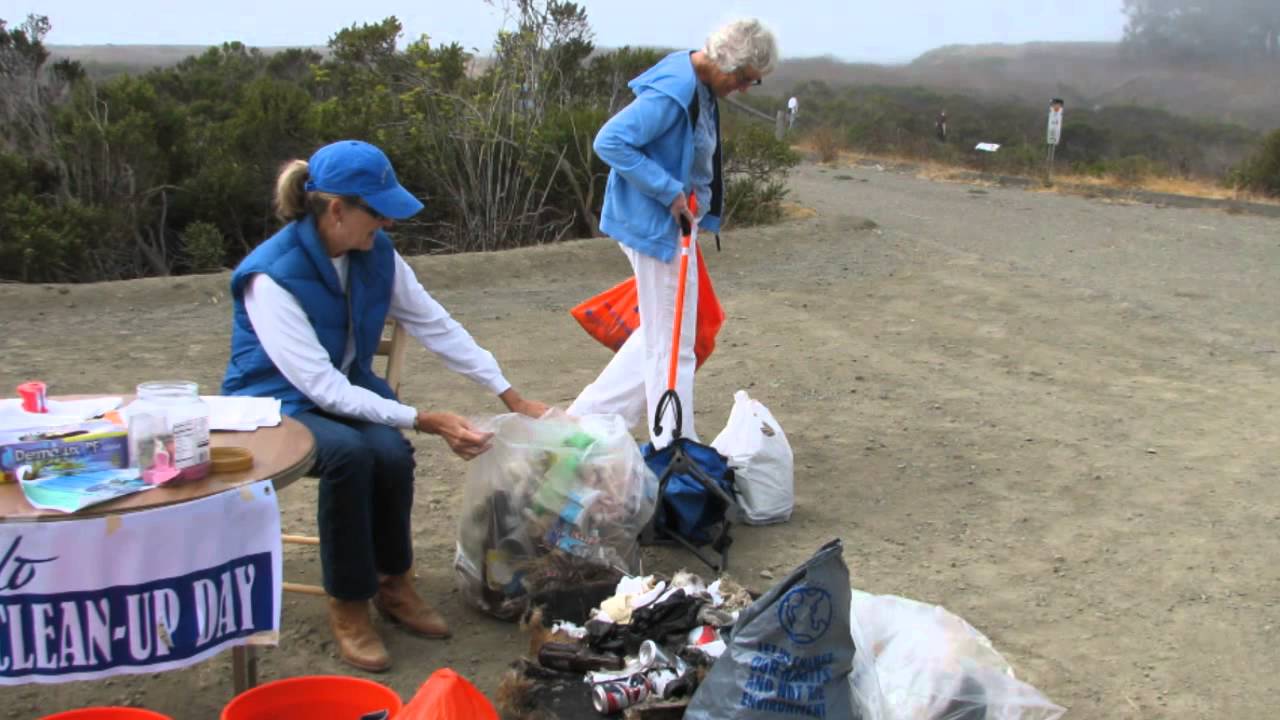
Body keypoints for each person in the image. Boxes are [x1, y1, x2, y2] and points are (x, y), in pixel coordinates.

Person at [221, 139, 547, 672]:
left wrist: (508, 392)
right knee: (351, 455)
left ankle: (394, 584)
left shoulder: (377, 256)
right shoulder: (270, 276)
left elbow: (436, 325)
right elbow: (320, 388)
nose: (389, 226)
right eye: (379, 213)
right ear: (336, 210)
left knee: (390, 454)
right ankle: (349, 605)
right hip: (272, 403)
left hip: (344, 386)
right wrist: (423, 419)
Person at [567, 19, 778, 448]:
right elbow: (610, 142)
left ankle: (586, 420)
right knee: (673, 344)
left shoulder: (698, 84)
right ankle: (673, 446)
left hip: (671, 225)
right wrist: (670, 194)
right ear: (728, 62)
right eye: (745, 79)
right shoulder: (675, 92)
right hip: (656, 227)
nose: (743, 89)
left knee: (663, 332)